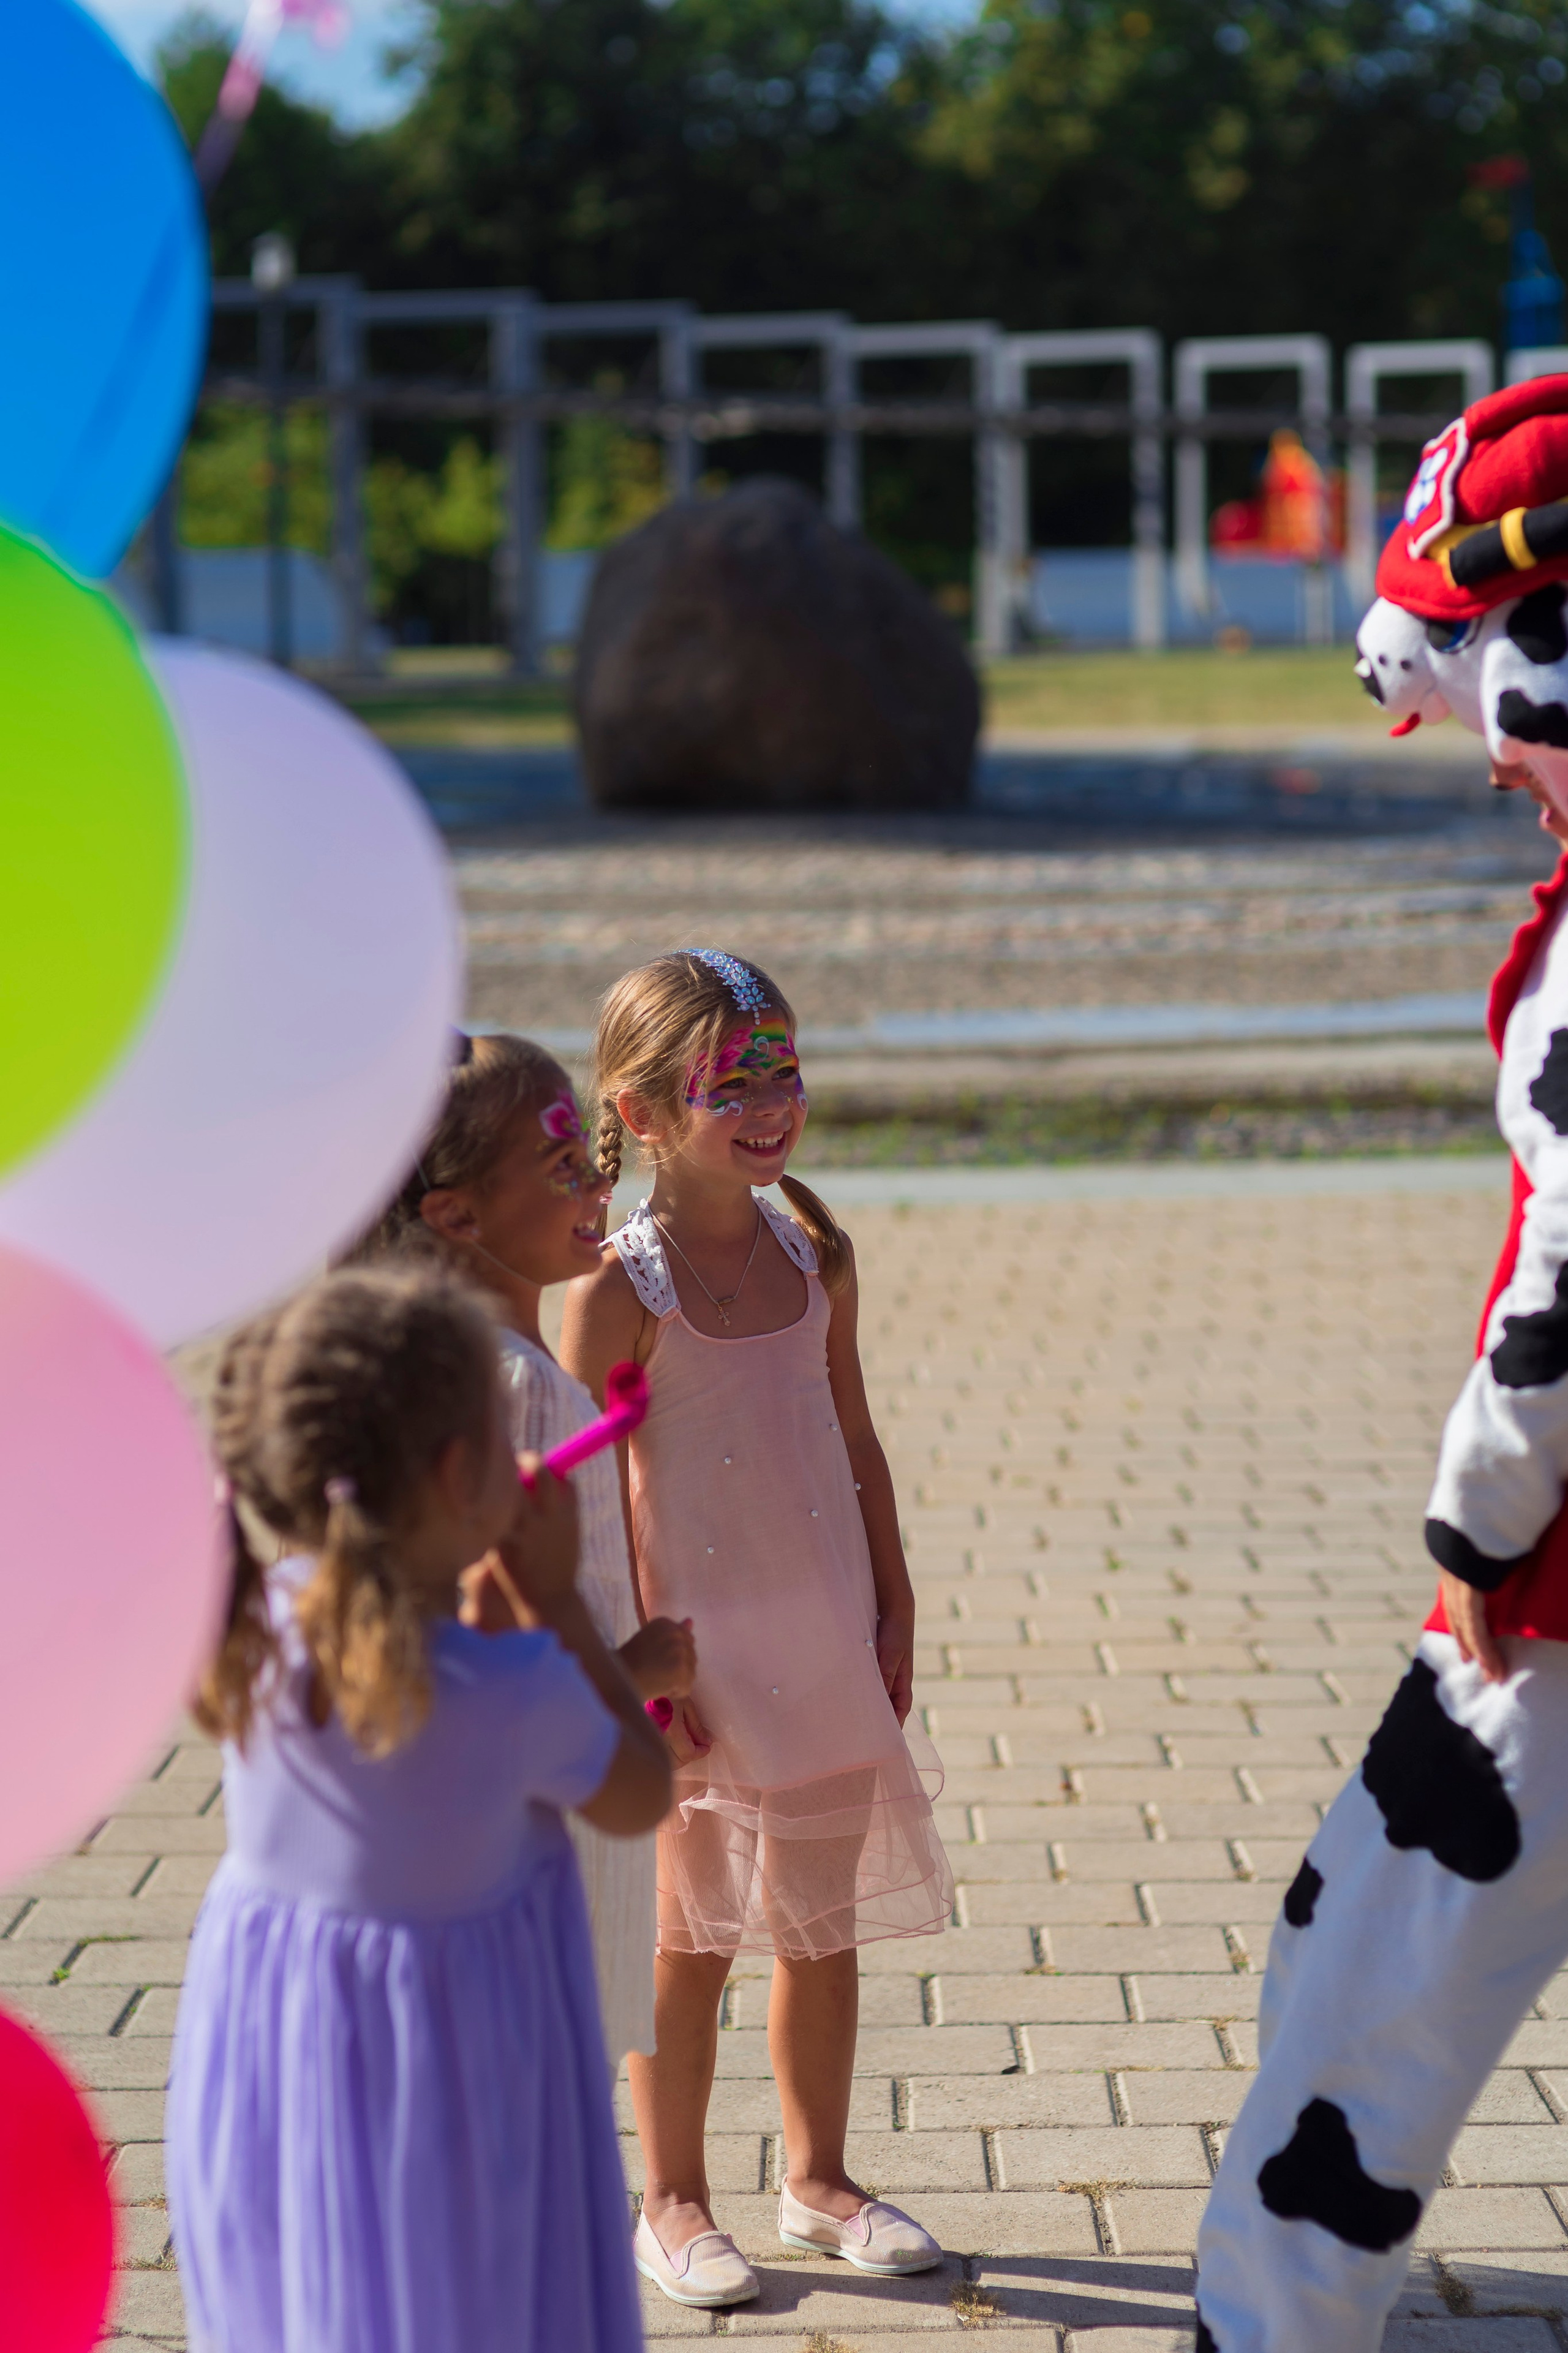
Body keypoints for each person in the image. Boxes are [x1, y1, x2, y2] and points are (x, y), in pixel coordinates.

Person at [1196, 375, 1568, 2353]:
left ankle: (1280, 2320)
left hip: (1560, 1607)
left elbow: (1562, 1298)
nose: (1473, 748)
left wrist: (1477, 1530)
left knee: (1371, 1987)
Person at [165, 1265, 671, 2353]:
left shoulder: (253, 1630)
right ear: (459, 1477)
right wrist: (558, 1613)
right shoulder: (511, 1687)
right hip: (445, 2089)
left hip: (279, 2064)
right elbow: (641, 1790)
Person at [562, 946, 954, 2310]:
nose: (772, 1100)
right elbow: (586, 1505)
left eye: (784, 1067)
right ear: (647, 1109)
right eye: (733, 1081)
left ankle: (818, 2177)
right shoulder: (619, 1291)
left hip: (819, 1641)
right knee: (685, 1942)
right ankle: (669, 2201)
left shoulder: (813, 1250)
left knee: (819, 1922)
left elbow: (851, 1436)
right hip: (692, 1670)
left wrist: (892, 1601)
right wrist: (630, 1678)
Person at [356, 1029, 695, 2064]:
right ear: (455, 1215)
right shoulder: (520, 1386)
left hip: (515, 1803)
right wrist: (638, 1668)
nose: (597, 1179)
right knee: (538, 2087)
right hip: (544, 1810)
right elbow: (478, 1623)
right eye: (561, 1167)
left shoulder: (455, 1360)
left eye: (587, 1154)